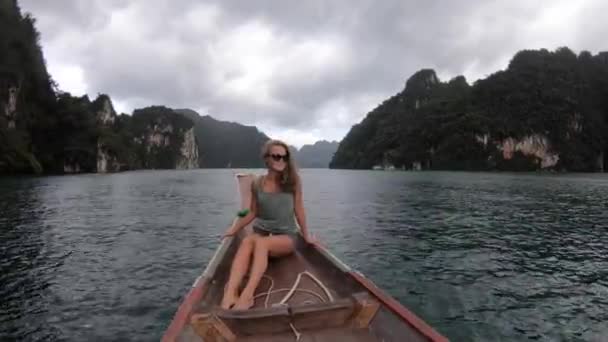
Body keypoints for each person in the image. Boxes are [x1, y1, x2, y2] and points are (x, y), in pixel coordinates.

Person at [220, 139, 316, 310]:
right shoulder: (257, 183)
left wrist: (306, 235)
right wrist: (234, 229)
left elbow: (299, 209)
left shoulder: (293, 182)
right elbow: (253, 212)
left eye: (284, 157)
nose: (281, 160)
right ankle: (230, 293)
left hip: (285, 237)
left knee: (261, 243)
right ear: (267, 159)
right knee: (247, 241)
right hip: (262, 234)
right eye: (276, 156)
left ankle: (247, 295)